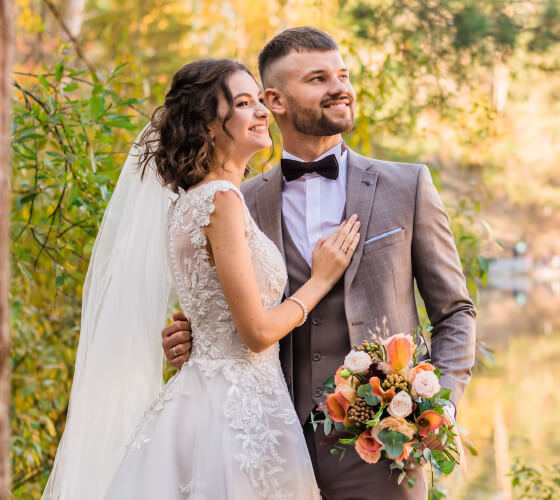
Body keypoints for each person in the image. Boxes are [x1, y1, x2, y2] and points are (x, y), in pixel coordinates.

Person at [163, 27, 477, 499]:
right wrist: (192, 337)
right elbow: (230, 311)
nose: (340, 88)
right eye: (318, 78)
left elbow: (455, 313)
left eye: (343, 75)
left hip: (384, 450)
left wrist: (439, 408)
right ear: (276, 100)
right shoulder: (233, 200)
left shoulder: (406, 186)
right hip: (266, 442)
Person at [43, 58, 360, 499]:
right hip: (238, 414)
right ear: (210, 126)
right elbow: (255, 332)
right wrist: (321, 280)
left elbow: (213, 312)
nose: (263, 111)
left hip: (206, 399)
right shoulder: (223, 201)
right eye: (245, 103)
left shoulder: (188, 203)